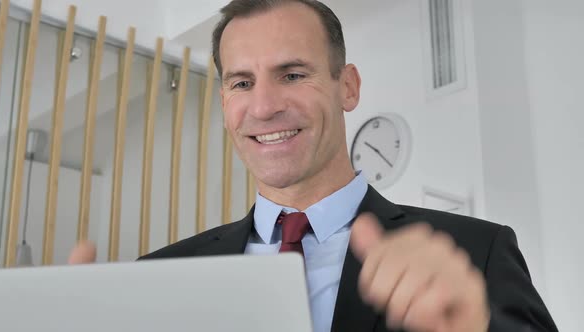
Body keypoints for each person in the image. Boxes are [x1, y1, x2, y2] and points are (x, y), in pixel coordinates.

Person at [70, 0, 557, 331]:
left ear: (347, 86)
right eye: (241, 83)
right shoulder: (158, 276)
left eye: (293, 74)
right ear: (224, 103)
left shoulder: (477, 251)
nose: (263, 107)